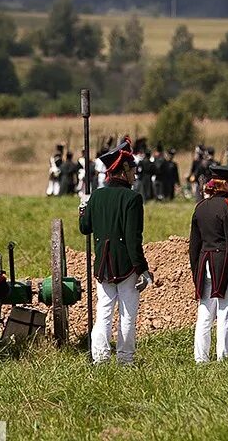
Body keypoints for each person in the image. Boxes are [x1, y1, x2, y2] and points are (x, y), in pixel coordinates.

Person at [79, 138, 153, 365]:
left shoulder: (97, 195)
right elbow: (133, 240)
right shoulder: (133, 198)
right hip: (125, 265)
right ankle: (125, 358)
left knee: (103, 312)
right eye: (132, 170)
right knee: (127, 314)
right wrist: (142, 269)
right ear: (123, 170)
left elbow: (85, 228)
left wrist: (83, 210)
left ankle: (100, 358)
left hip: (102, 263)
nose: (135, 174)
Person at [189, 164, 228, 363]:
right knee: (225, 312)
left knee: (205, 312)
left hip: (204, 262)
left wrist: (195, 271)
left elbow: (194, 246)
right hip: (224, 264)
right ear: (225, 184)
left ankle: (200, 358)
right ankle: (224, 357)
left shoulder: (200, 208)